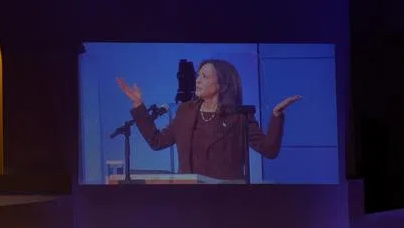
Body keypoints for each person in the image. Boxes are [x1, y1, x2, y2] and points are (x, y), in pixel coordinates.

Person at [116, 59, 301, 181]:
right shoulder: (185, 111)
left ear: (222, 84)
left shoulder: (239, 116)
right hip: (189, 202)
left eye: (204, 77)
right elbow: (157, 142)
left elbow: (269, 150)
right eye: (198, 75)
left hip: (226, 202)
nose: (197, 80)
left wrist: (277, 116)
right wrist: (138, 104)